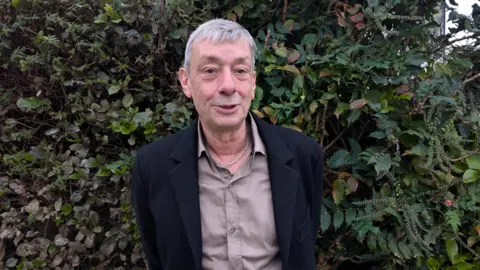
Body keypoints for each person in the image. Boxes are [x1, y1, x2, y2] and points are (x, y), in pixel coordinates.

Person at [131, 18, 324, 270]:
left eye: (240, 71)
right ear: (186, 81)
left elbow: (303, 247)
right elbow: (158, 256)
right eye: (210, 70)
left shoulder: (303, 156)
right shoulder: (152, 168)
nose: (228, 86)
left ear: (253, 83)